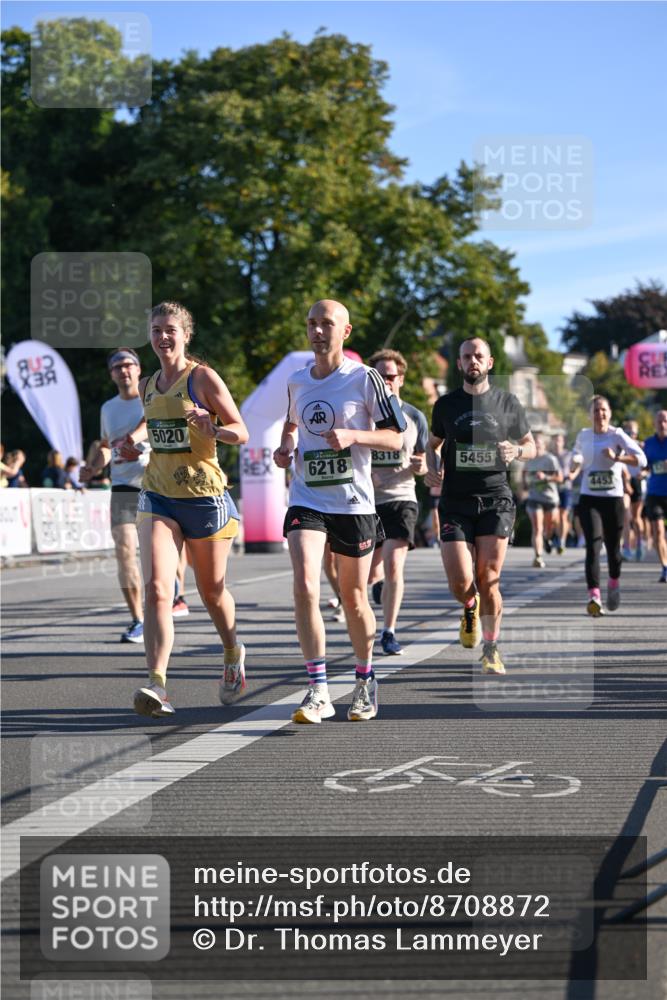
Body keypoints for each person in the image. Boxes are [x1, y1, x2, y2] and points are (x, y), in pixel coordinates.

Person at [273, 299, 405, 724]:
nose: (317, 330)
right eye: (311, 323)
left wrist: (352, 434)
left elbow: (396, 439)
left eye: (326, 323)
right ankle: (318, 689)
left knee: (353, 598)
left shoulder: (364, 379)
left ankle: (365, 679)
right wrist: (287, 445)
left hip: (353, 503)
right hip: (307, 498)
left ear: (345, 332)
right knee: (306, 585)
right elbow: (292, 422)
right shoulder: (296, 381)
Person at [128, 302, 248, 718]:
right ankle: (157, 684)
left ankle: (233, 653)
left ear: (185, 335)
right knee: (159, 589)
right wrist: (133, 441)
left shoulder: (202, 378)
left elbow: (241, 430)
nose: (163, 336)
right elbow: (151, 422)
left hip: (206, 499)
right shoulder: (147, 384)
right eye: (156, 329)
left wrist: (213, 428)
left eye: (171, 330)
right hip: (158, 496)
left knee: (212, 591)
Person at [426, 337, 536, 675]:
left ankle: (491, 648)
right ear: (459, 364)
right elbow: (432, 445)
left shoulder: (507, 402)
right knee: (461, 582)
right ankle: (469, 606)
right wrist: (432, 466)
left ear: (489, 363)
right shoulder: (446, 405)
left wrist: (516, 452)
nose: (472, 361)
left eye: (479, 356)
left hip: (496, 500)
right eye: (466, 356)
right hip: (455, 502)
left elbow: (531, 445)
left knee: (489, 577)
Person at [80, 348, 151, 643]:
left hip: (154, 483)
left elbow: (150, 424)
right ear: (111, 374)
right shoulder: (108, 408)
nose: (123, 370)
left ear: (137, 369)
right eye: (117, 366)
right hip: (122, 486)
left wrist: (134, 438)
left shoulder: (150, 396)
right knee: (124, 551)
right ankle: (138, 619)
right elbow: (108, 445)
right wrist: (93, 467)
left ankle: (168, 595)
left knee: (155, 554)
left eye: (128, 365)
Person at [366, 348, 428, 655]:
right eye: (379, 376)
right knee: (366, 574)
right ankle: (377, 586)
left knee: (393, 567)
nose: (385, 382)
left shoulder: (414, 416)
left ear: (400, 379)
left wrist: (423, 467)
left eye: (390, 376)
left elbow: (426, 461)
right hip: (365, 502)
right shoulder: (361, 415)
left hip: (402, 499)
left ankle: (389, 631)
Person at [570, 396, 647, 616]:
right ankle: (594, 595)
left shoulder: (617, 435)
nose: (600, 414)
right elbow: (576, 454)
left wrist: (617, 458)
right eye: (595, 411)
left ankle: (613, 581)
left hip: (613, 499)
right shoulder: (584, 435)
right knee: (593, 546)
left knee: (614, 550)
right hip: (589, 498)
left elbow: (641, 460)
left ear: (610, 413)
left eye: (603, 410)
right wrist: (575, 462)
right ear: (590, 414)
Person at [522, 432, 562, 568]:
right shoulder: (529, 460)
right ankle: (538, 556)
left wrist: (545, 477)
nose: (537, 447)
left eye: (539, 445)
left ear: (544, 446)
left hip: (550, 498)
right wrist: (524, 486)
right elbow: (524, 473)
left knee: (549, 527)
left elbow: (560, 478)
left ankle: (548, 537)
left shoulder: (550, 459)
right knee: (537, 527)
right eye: (535, 445)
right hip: (534, 498)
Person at [642, 409, 667, 583]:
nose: (662, 424)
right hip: (655, 493)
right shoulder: (649, 443)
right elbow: (645, 465)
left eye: (665, 420)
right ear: (654, 424)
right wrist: (641, 471)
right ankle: (665, 566)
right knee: (658, 531)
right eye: (659, 421)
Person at [621, 419, 646, 562]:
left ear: (636, 434)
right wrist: (625, 480)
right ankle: (626, 548)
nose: (631, 435)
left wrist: (643, 474)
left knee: (636, 518)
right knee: (625, 515)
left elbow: (648, 466)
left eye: (633, 432)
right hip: (625, 482)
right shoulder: (621, 446)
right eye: (627, 432)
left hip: (638, 482)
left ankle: (639, 543)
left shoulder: (641, 446)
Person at [550, 432, 575, 552]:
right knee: (555, 516)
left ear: (563, 442)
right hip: (552, 489)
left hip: (566, 487)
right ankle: (555, 537)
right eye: (555, 440)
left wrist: (572, 474)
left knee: (563, 515)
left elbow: (577, 467)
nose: (557, 442)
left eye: (559, 440)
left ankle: (562, 541)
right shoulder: (549, 456)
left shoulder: (569, 455)